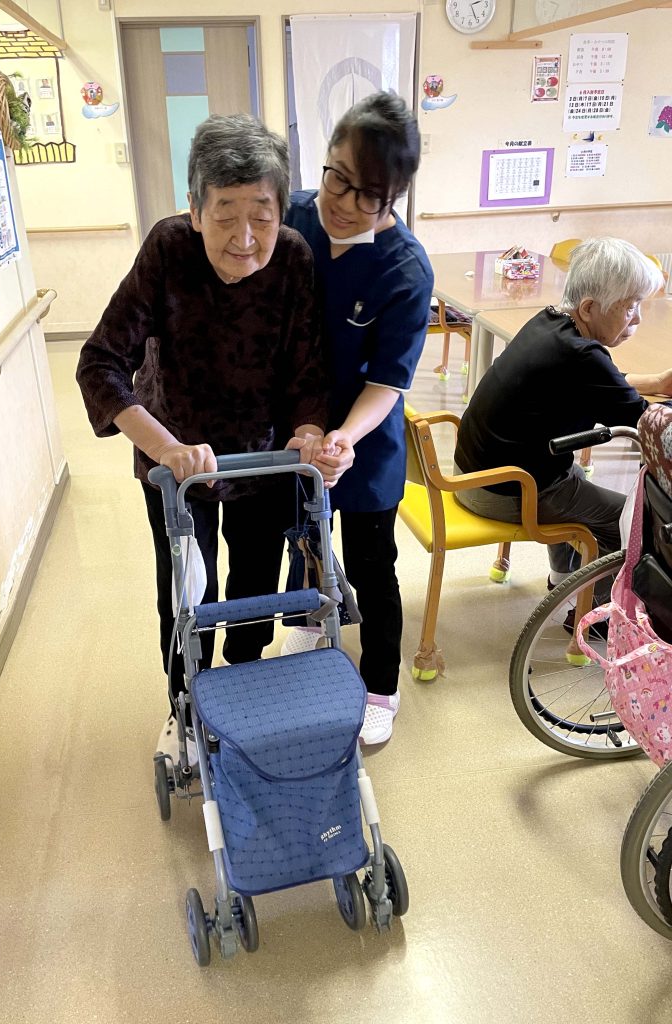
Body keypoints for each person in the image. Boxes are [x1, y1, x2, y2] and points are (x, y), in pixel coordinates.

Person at [76, 114, 347, 762]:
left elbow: (308, 371)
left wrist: (310, 434)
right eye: (225, 214)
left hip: (260, 457)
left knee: (253, 591)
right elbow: (100, 364)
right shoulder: (168, 250)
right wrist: (164, 446)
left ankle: (244, 693)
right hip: (180, 462)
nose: (245, 237)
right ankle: (185, 707)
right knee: (187, 593)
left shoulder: (293, 257)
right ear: (194, 210)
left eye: (262, 213)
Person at [283, 91, 434, 746]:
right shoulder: (292, 218)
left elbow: (386, 382)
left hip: (364, 446)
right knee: (304, 536)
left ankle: (380, 685)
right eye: (336, 175)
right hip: (292, 428)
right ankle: (312, 618)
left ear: (394, 196)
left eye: (366, 192)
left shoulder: (404, 269)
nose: (341, 199)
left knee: (373, 565)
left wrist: (345, 435)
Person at [454, 236, 672, 605]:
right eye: (630, 306)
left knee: (572, 476)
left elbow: (601, 383)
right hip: (508, 490)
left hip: (477, 474)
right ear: (589, 307)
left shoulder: (550, 323)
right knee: (634, 523)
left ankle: (563, 578)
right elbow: (647, 427)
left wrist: (656, 383)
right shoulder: (583, 355)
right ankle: (591, 612)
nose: (636, 318)